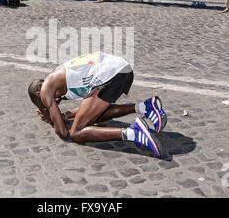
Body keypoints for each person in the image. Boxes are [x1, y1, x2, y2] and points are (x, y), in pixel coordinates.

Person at [28, 51, 167, 158]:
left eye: (42, 105)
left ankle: (133, 133)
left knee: (76, 133)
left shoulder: (46, 88)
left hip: (109, 73)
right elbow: (89, 107)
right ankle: (145, 107)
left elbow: (63, 132)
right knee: (96, 117)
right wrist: (67, 115)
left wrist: (50, 117)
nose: (45, 106)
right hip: (122, 69)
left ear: (38, 95)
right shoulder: (59, 79)